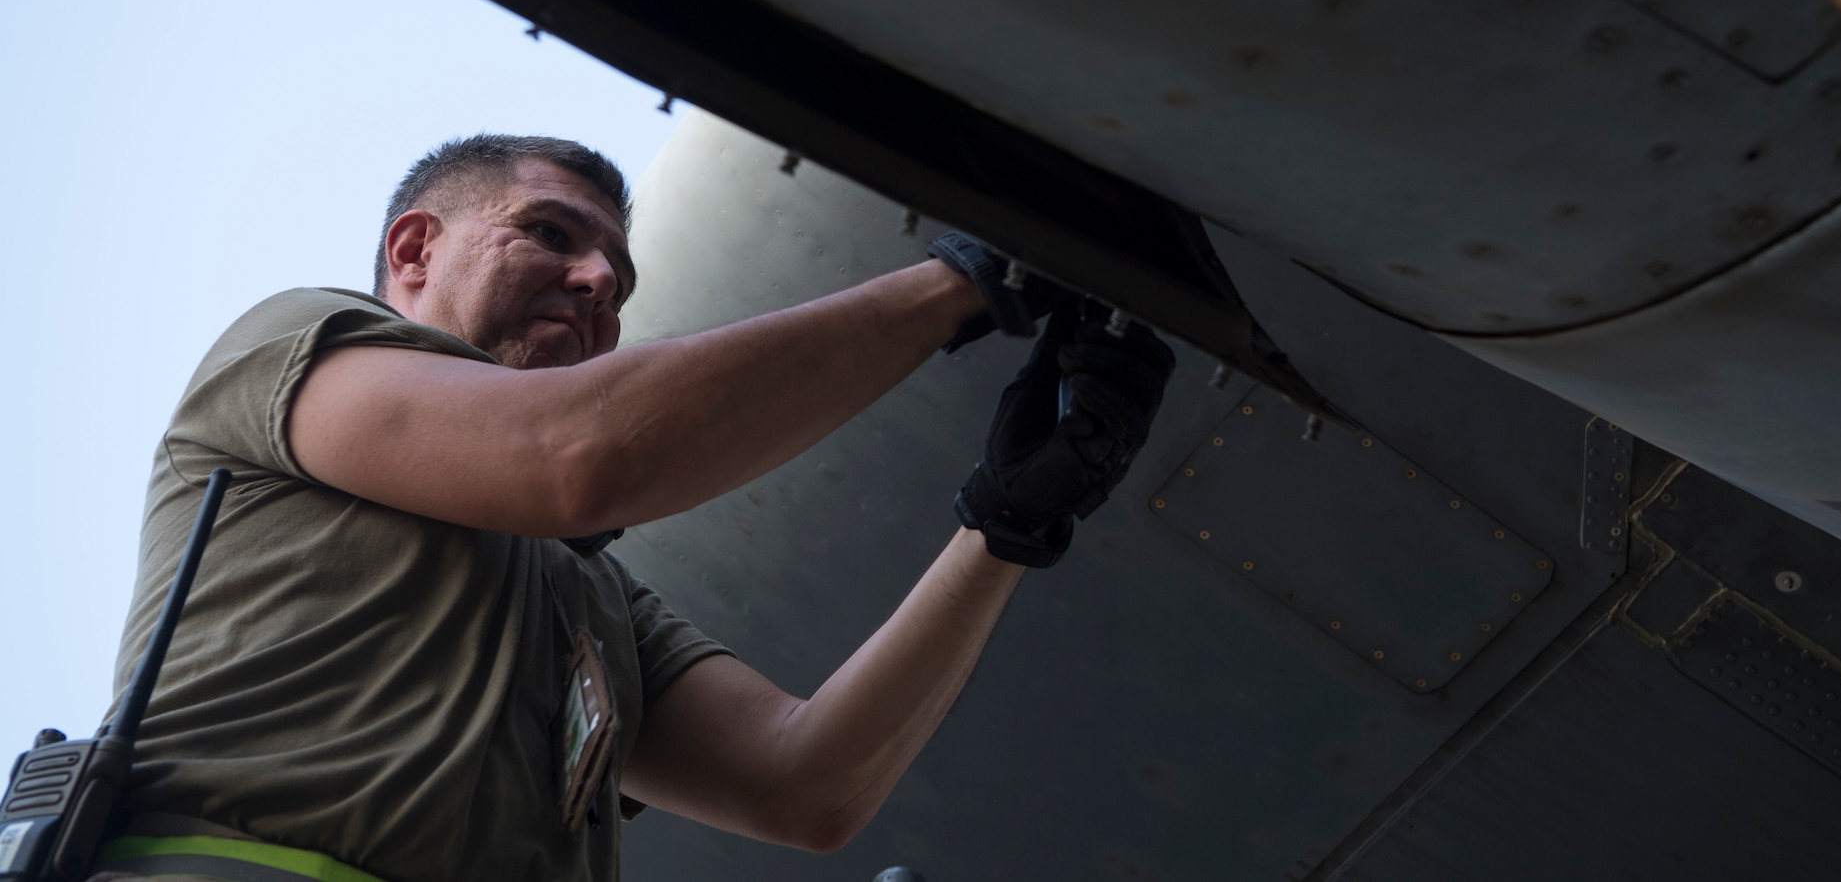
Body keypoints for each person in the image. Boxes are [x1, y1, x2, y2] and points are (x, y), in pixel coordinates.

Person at [87, 134, 1174, 882]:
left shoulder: (585, 601)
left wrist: (1002, 527)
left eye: (617, 266)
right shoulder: (292, 345)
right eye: (551, 235)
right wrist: (964, 283)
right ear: (413, 249)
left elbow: (805, 784)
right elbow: (578, 453)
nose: (600, 278)